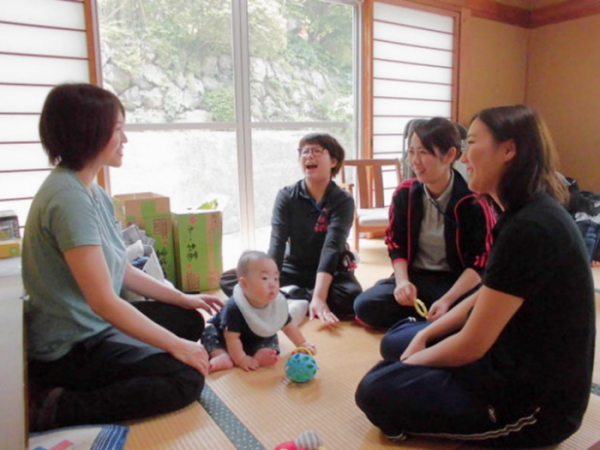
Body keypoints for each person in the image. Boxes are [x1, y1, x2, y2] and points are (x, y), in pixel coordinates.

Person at [355, 105, 596, 447]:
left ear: (508, 150)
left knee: (374, 389)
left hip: (536, 407)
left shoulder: (528, 228)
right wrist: (425, 338)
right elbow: (484, 296)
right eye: (413, 152)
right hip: (504, 352)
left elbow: (471, 343)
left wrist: (412, 364)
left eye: (470, 144)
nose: (464, 158)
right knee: (397, 343)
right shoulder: (519, 212)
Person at [23, 83, 223, 432]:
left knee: (188, 318)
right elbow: (103, 301)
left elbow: (122, 270)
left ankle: (123, 365)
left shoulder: (92, 191)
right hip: (72, 345)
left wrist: (183, 298)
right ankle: (58, 407)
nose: (125, 140)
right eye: (118, 129)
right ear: (89, 131)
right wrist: (179, 348)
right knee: (186, 378)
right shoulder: (68, 199)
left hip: (96, 325)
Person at [354, 117, 495, 328]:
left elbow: (480, 263)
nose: (414, 161)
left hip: (454, 282)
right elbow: (395, 244)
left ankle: (425, 323)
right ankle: (431, 324)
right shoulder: (405, 193)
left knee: (476, 313)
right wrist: (402, 282)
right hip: (415, 277)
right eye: (411, 152)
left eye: (424, 152)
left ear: (449, 155)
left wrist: (447, 300)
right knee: (364, 305)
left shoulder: (473, 202)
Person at [268, 132, 362, 324]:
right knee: (235, 281)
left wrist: (320, 295)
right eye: (304, 151)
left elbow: (332, 247)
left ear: (333, 161)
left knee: (353, 298)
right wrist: (269, 281)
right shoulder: (286, 196)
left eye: (316, 151)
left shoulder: (342, 200)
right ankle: (301, 295)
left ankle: (300, 297)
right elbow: (277, 241)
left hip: (331, 269)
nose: (308, 156)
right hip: (294, 265)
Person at [204, 251, 315, 372]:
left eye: (276, 278)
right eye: (265, 278)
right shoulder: (235, 307)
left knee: (271, 336)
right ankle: (221, 355)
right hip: (225, 338)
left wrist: (302, 343)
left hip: (256, 338)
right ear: (244, 284)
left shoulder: (276, 304)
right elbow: (231, 338)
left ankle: (261, 353)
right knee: (208, 332)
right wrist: (241, 359)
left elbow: (288, 327)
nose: (272, 284)